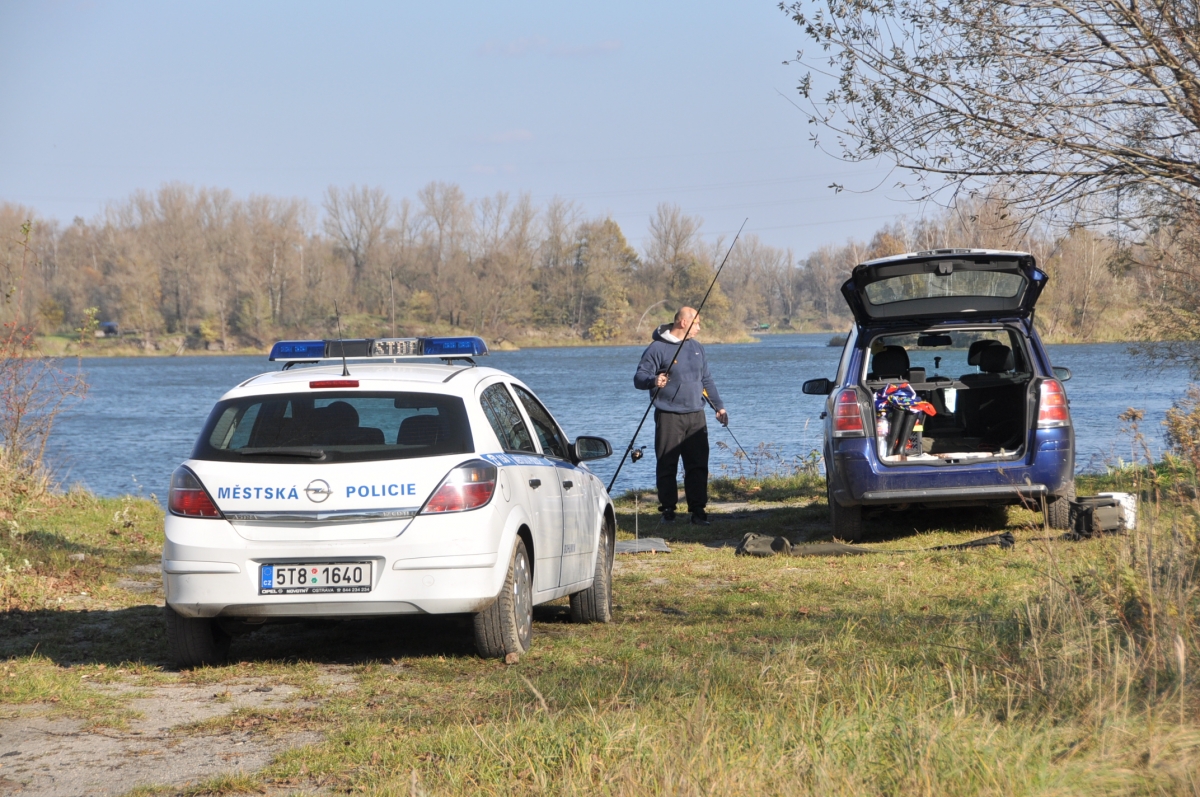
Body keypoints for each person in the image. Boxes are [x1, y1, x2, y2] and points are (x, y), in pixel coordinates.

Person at [633, 306, 728, 525]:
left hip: (696, 414)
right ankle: (667, 510)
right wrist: (653, 381)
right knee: (667, 463)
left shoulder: (697, 348)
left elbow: (706, 381)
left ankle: (698, 510)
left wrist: (719, 407)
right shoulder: (657, 348)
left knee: (698, 465)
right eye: (696, 323)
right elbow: (639, 377)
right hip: (668, 415)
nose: (699, 327)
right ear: (683, 322)